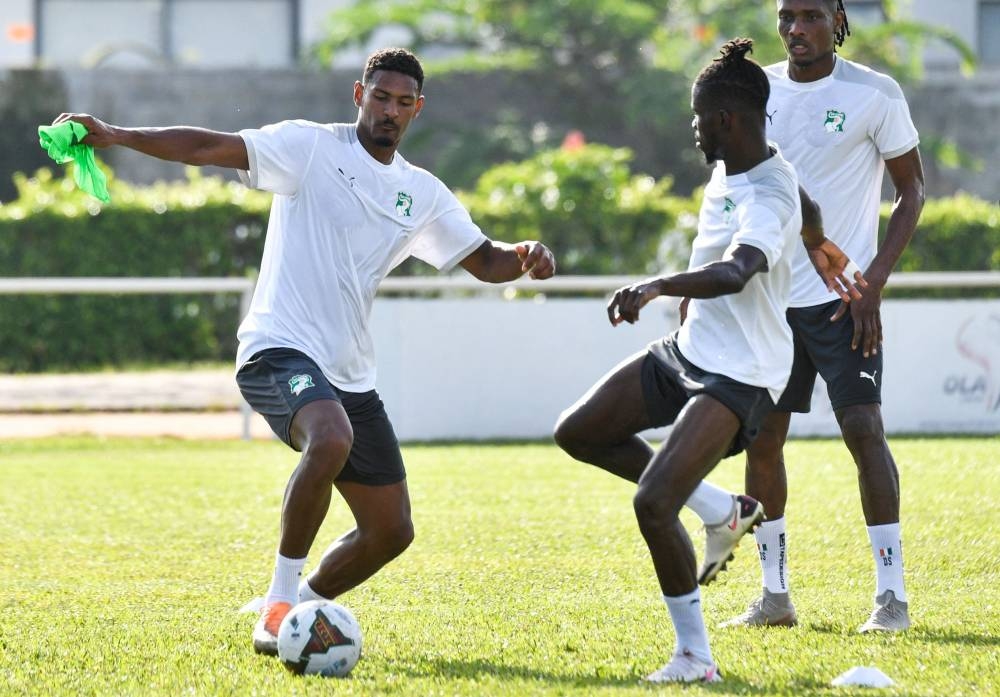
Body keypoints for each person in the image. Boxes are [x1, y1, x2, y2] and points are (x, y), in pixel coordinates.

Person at [53, 47, 556, 656]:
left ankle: (305, 602)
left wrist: (525, 253)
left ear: (417, 109)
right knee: (331, 436)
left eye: (403, 102)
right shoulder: (311, 148)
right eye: (380, 97)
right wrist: (118, 134)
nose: (389, 111)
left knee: (390, 531)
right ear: (358, 95)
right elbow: (209, 147)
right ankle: (278, 604)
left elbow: (486, 262)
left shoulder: (422, 193)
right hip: (277, 348)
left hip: (348, 372)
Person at [554, 38, 863, 683]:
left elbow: (738, 271)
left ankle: (695, 657)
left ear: (726, 120)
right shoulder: (744, 166)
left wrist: (659, 285)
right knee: (579, 432)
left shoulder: (766, 196)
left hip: (742, 374)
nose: (692, 131)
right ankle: (721, 508)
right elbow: (803, 202)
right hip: (689, 353)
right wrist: (817, 238)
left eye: (698, 120)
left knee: (652, 504)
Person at [721, 0, 924, 633]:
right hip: (768, 303)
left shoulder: (875, 93)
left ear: (838, 19)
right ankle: (774, 596)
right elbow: (736, 190)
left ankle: (891, 598)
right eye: (786, 17)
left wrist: (874, 285)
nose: (795, 29)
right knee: (763, 443)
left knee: (864, 432)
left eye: (810, 16)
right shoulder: (758, 93)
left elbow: (912, 190)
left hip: (843, 302)